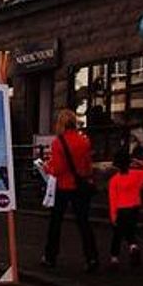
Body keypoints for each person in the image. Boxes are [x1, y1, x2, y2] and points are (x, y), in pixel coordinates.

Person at [42, 108, 99, 272]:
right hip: (81, 186)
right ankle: (92, 257)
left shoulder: (58, 143)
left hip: (64, 186)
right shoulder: (84, 141)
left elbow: (58, 168)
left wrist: (47, 167)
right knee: (84, 223)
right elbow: (88, 166)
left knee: (55, 223)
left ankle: (50, 256)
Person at [107, 149, 143, 267]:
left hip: (121, 209)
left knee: (118, 234)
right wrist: (140, 162)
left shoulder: (114, 180)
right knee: (130, 230)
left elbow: (113, 199)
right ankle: (133, 246)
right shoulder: (136, 175)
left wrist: (113, 216)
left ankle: (114, 257)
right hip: (135, 207)